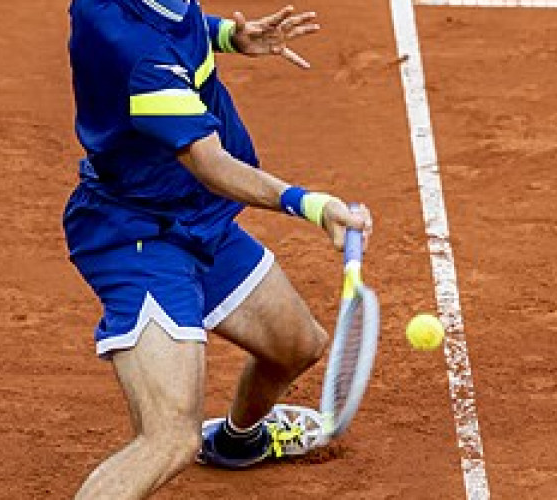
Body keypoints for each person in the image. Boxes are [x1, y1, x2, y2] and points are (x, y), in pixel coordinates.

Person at [63, 0, 371, 498]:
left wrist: (230, 36)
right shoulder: (146, 61)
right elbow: (213, 165)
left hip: (195, 217)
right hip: (138, 238)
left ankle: (238, 441)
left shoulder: (124, 6)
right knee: (169, 440)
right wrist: (310, 204)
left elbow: (181, 24)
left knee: (297, 346)